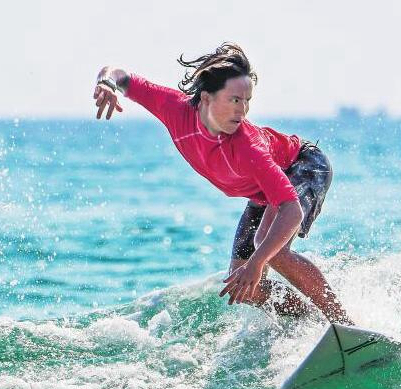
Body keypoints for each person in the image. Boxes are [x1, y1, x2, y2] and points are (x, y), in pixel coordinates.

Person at [93, 42, 353, 325]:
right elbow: (119, 75)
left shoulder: (248, 147)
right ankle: (311, 321)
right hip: (264, 193)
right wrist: (106, 83)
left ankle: (344, 324)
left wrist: (257, 263)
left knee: (271, 252)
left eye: (247, 101)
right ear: (206, 98)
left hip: (303, 165)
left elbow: (291, 210)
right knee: (244, 287)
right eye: (235, 100)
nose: (243, 110)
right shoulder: (175, 109)